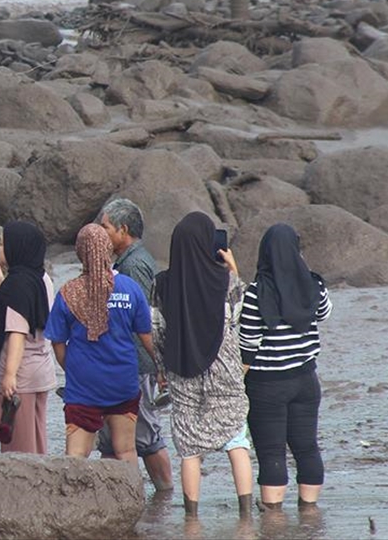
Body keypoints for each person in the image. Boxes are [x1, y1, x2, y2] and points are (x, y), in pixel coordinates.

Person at [153, 212, 253, 518]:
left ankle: (192, 518)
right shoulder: (225, 280)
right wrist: (234, 269)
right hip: (224, 369)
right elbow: (238, 320)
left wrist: (161, 368)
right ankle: (247, 515)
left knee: (189, 448)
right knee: (236, 440)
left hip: (182, 368)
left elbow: (156, 329)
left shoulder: (162, 284)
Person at [45, 224, 159, 463]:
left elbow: (57, 343)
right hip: (123, 383)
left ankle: (76, 501)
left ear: (80, 252)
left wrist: (74, 370)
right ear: (107, 250)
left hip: (83, 389)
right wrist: (163, 369)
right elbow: (147, 337)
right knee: (126, 451)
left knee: (75, 457)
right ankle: (133, 499)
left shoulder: (67, 293)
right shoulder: (130, 289)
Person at [239, 224, 332, 512]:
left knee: (271, 453)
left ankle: (274, 520)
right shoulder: (313, 283)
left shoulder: (257, 292)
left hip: (267, 385)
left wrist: (236, 382)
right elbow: (325, 313)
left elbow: (248, 342)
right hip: (306, 379)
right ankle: (310, 514)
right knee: (307, 448)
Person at [95, 200, 173, 491]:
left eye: (105, 227)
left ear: (122, 230)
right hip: (131, 364)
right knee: (120, 438)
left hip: (138, 364)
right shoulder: (129, 260)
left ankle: (164, 494)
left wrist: (157, 365)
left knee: (146, 437)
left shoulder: (133, 265)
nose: (101, 233)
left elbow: (144, 319)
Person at [0, 221, 56, 454]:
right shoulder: (41, 279)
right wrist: (2, 286)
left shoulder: (18, 285)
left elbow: (17, 332)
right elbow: (31, 311)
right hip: (40, 369)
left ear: (17, 248)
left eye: (2, 243)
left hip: (20, 375)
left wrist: (9, 376)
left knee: (18, 450)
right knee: (38, 442)